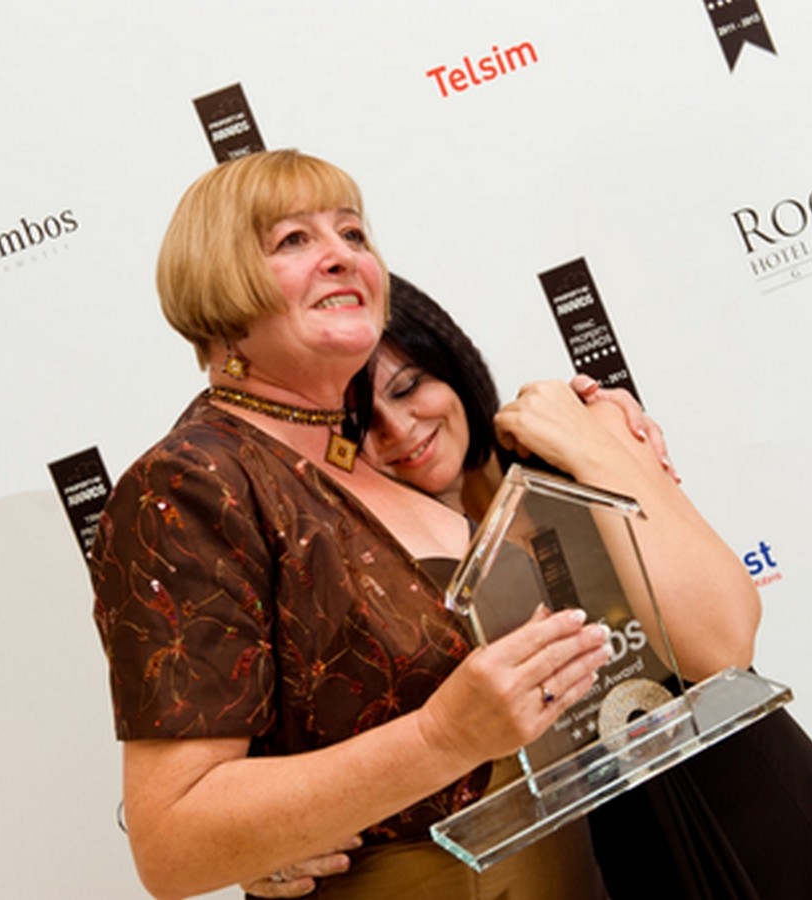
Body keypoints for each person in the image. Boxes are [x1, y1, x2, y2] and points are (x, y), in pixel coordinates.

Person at [249, 275, 812, 899]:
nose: (400, 429)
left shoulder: (567, 439)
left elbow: (723, 644)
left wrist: (592, 441)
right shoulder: (359, 571)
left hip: (750, 802)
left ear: (450, 364)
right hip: (607, 859)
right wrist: (266, 846)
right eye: (362, 419)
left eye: (409, 387)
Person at [88, 150, 616, 900]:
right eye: (292, 240)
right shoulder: (193, 481)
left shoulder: (370, 457)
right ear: (214, 284)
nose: (340, 255)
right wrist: (443, 738)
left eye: (353, 233)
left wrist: (611, 437)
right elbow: (173, 841)